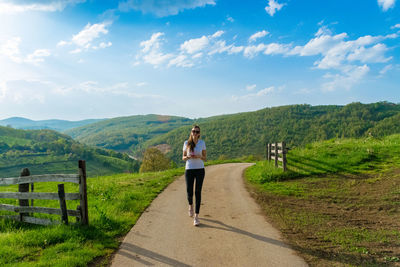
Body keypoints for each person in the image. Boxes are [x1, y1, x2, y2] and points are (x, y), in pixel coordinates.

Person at [182, 125, 206, 226]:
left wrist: (199, 156)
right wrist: (187, 156)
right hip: (189, 169)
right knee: (189, 191)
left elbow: (205, 157)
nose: (195, 133)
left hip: (200, 169)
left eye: (197, 131)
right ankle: (190, 205)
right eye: (193, 131)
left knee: (198, 192)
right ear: (191, 132)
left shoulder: (202, 143)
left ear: (199, 133)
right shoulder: (186, 143)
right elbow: (183, 157)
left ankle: (196, 216)